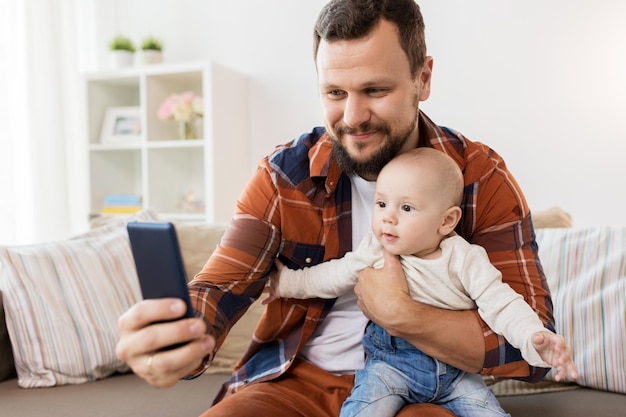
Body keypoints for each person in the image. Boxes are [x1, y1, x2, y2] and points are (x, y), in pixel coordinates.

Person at [116, 1, 558, 416]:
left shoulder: (478, 175)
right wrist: (176, 338)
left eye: (375, 89)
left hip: (427, 388)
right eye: (334, 92)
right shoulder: (283, 175)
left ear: (423, 78)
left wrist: (404, 315)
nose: (352, 116)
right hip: (296, 381)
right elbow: (219, 287)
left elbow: (534, 347)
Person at [263, 147, 577, 417]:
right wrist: (285, 283)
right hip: (390, 367)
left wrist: (534, 336)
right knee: (363, 409)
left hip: (456, 374)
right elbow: (330, 276)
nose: (388, 217)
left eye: (407, 208)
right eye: (382, 204)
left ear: (446, 221)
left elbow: (502, 303)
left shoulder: (463, 259)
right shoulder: (375, 249)